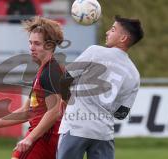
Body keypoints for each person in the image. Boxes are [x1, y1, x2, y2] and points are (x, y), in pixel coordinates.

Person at [0, 16, 66, 159]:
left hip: (42, 140)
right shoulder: (44, 70)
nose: (31, 48)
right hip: (44, 139)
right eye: (30, 43)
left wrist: (30, 138)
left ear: (50, 45)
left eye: (37, 44)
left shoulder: (50, 72)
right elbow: (26, 112)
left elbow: (54, 111)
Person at [57, 15, 144, 159]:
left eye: (113, 29)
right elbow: (121, 114)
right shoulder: (134, 73)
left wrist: (66, 100)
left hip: (76, 127)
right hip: (103, 134)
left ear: (123, 38)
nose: (107, 32)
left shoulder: (95, 51)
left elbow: (65, 78)